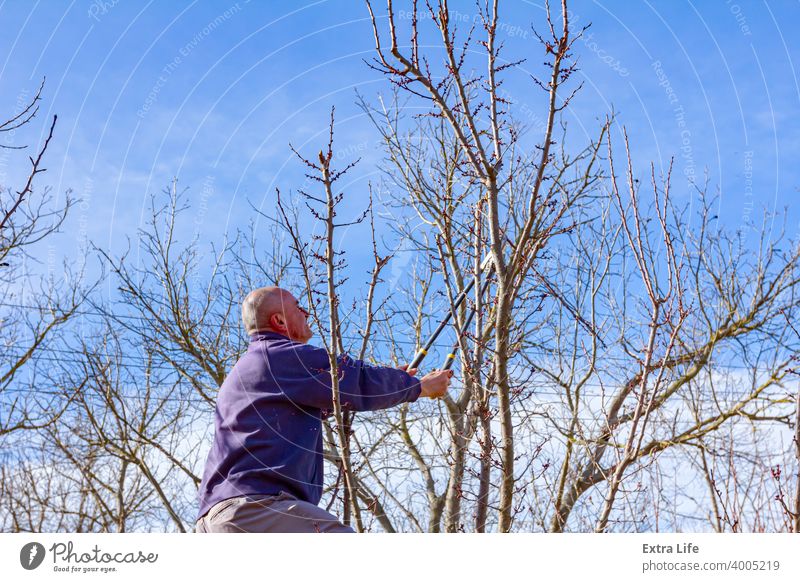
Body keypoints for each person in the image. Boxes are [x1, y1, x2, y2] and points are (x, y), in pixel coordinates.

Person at [196, 286, 452, 533]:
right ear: (279, 321)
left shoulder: (255, 366)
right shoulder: (283, 356)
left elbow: (322, 398)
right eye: (298, 307)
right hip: (255, 510)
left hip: (220, 518)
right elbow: (354, 381)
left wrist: (397, 383)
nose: (307, 313)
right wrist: (418, 387)